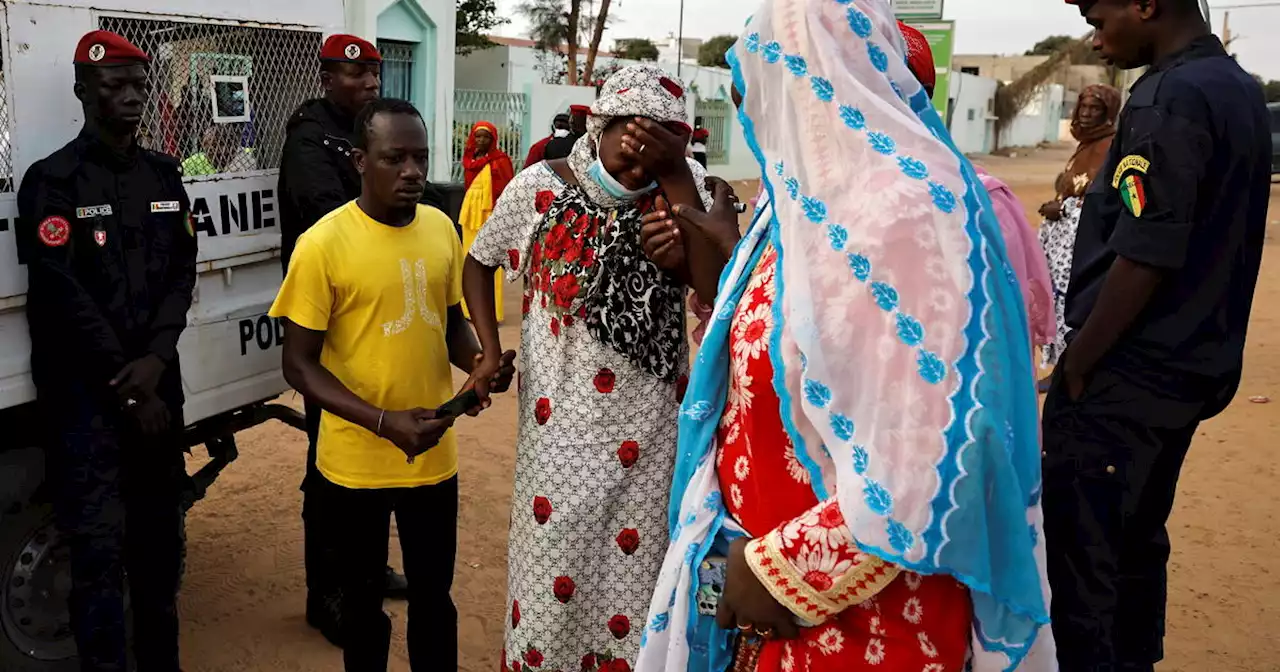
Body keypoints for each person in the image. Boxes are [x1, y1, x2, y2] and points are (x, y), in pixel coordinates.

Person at [637, 1, 1055, 671]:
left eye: (757, 87)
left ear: (807, 75)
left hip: (868, 615)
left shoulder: (910, 214)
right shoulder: (793, 208)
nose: (749, 112)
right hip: (759, 588)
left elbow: (946, 443)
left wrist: (782, 567)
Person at [462, 64, 719, 671]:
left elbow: (717, 288)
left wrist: (676, 192)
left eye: (652, 160)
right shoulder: (540, 188)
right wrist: (489, 349)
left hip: (651, 431)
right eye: (629, 156)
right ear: (598, 128)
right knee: (553, 566)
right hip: (559, 432)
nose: (637, 174)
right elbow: (479, 262)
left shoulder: (688, 192)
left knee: (639, 571)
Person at [1046, 2, 1269, 670]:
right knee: (1135, 546)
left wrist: (1078, 366)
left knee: (1086, 573)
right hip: (1185, 371)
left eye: (1098, 14)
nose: (1095, 34)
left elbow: (1145, 251)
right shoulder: (1236, 88)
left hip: (1126, 378)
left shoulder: (1168, 96)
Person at [270, 97, 514, 671]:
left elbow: (446, 322)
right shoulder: (323, 244)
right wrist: (383, 422)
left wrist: (479, 364)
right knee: (363, 608)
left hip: (433, 459)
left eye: (420, 158)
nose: (411, 172)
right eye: (394, 158)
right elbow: (298, 365)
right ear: (360, 160)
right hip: (354, 466)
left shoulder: (439, 227)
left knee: (434, 600)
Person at [18, 30, 195, 672]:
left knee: (158, 555)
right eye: (114, 85)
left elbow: (182, 273)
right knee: (95, 560)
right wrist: (129, 384)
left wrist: (152, 366)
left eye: (139, 85)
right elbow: (60, 292)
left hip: (154, 398)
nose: (130, 98)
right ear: (82, 89)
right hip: (88, 406)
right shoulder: (52, 181)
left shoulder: (162, 176)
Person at [276, 33, 408, 645]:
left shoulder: (362, 132)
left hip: (369, 316)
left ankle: (367, 569)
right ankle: (324, 596)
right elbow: (333, 213)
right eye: (355, 76)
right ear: (327, 77)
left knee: (375, 452)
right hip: (328, 323)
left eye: (374, 75)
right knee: (331, 463)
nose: (369, 85)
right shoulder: (310, 139)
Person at [1035, 83, 1120, 383]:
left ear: (1108, 113)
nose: (1085, 114)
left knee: (1070, 300)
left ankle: (1065, 367)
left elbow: (1099, 197)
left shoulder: (1109, 146)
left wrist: (1064, 210)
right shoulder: (1087, 143)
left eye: (1094, 109)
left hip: (1079, 238)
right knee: (1054, 296)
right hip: (1061, 235)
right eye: (1082, 107)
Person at [459, 121, 515, 321]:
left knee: (489, 262)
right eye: (477, 136)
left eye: (485, 137)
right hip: (470, 216)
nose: (480, 140)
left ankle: (492, 312)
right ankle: (468, 311)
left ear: (493, 140)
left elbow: (507, 190)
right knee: (468, 260)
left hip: (490, 216)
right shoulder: (469, 160)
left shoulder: (500, 161)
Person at [182, 123, 256, 176]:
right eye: (214, 146)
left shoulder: (243, 157)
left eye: (228, 144)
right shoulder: (195, 161)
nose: (222, 150)